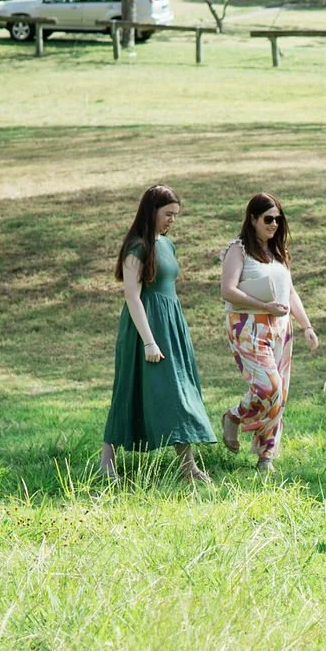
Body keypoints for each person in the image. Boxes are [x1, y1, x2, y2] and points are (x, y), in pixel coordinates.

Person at [101, 185, 216, 482]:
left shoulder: (166, 244)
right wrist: (149, 341)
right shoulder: (136, 247)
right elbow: (132, 296)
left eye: (176, 215)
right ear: (151, 211)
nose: (172, 221)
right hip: (145, 329)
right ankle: (107, 462)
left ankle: (187, 467)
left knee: (178, 392)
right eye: (168, 214)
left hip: (170, 325)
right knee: (130, 389)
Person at [220, 193, 318, 473]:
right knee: (268, 387)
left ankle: (266, 457)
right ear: (252, 219)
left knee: (280, 394)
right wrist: (264, 305)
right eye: (268, 218)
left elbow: (290, 292)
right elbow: (228, 290)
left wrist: (307, 326)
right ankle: (234, 417)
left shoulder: (278, 253)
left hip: (279, 328)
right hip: (247, 326)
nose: (274, 224)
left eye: (278, 219)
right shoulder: (238, 250)